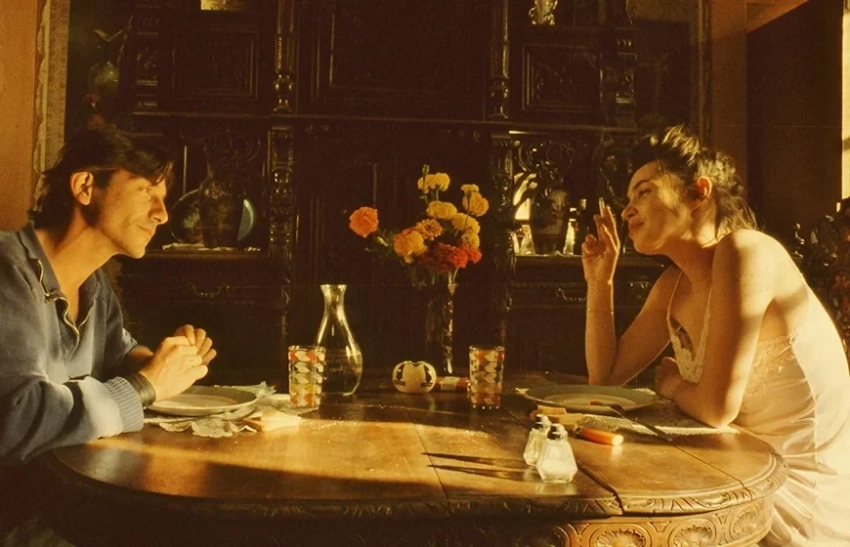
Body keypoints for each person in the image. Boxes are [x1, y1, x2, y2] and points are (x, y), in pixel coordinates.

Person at [581, 125, 850, 546]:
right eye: (628, 199)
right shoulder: (673, 286)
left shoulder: (747, 251)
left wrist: (671, 382)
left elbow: (715, 408)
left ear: (698, 193)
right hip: (729, 468)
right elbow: (604, 379)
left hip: (792, 495)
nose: (627, 210)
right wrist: (601, 283)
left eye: (644, 192)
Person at [0, 128, 216, 537]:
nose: (162, 215)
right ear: (85, 186)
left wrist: (169, 361)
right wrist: (147, 385)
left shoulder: (94, 286)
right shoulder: (7, 271)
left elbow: (118, 357)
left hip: (65, 508)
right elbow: (16, 420)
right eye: (147, 191)